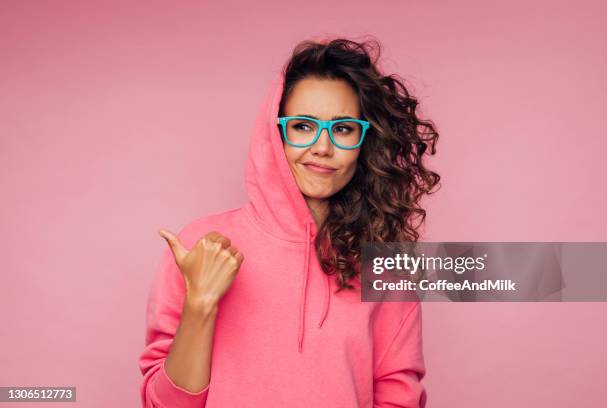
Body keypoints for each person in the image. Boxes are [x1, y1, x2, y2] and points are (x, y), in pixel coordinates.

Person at [138, 37, 440, 407]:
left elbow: (399, 398)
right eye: (303, 126)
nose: (323, 147)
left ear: (365, 143)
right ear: (275, 133)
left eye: (343, 129)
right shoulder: (203, 245)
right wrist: (200, 305)